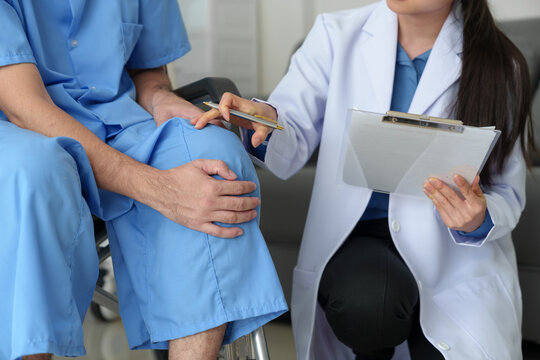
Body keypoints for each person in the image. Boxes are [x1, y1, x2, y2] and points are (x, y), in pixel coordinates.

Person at [194, 0, 535, 358]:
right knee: (367, 303)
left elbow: (507, 190)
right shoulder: (335, 35)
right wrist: (266, 118)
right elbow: (289, 129)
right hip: (357, 236)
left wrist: (477, 218)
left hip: (451, 250)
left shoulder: (502, 64)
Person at [0, 1, 287, 359]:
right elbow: (22, 105)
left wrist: (159, 97)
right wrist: (161, 189)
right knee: (37, 171)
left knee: (213, 156)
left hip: (117, 121)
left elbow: (148, 71)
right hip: (17, 128)